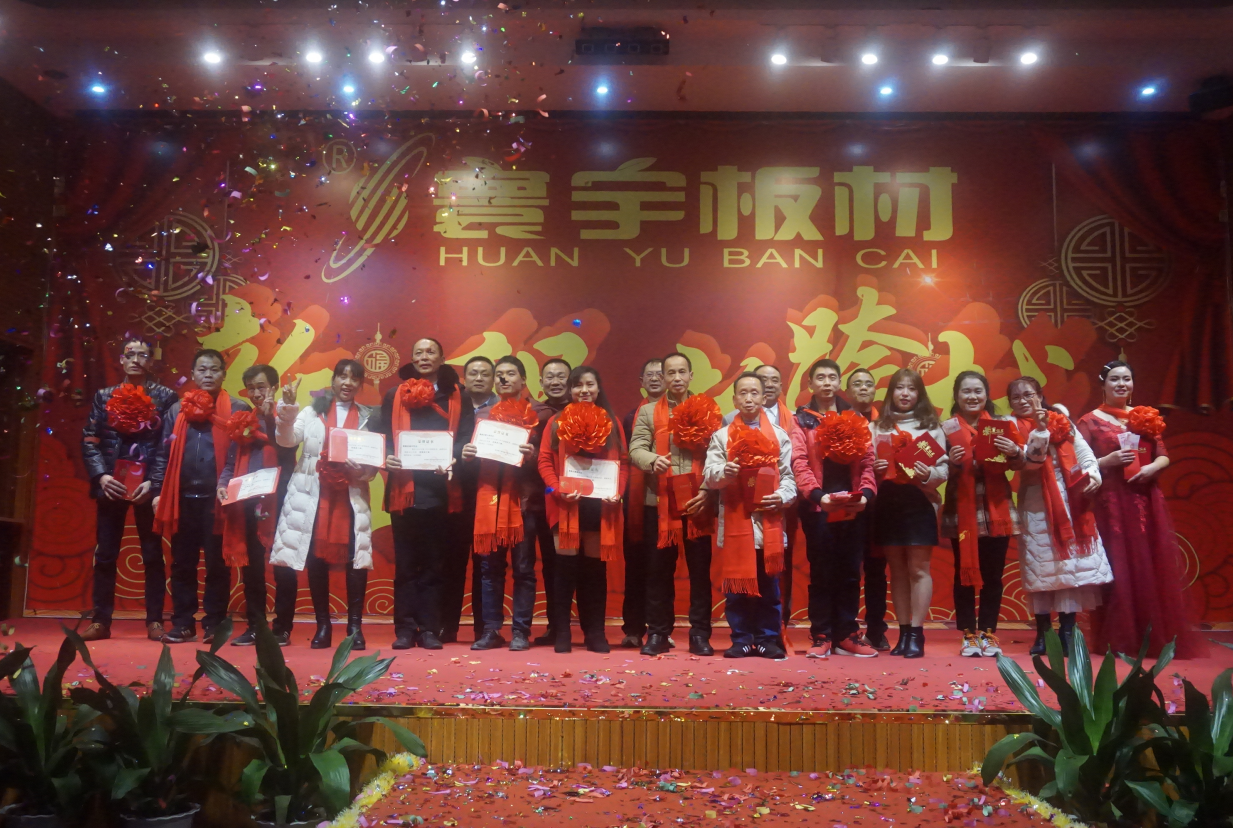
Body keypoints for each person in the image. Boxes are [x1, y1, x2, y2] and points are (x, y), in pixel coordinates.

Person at [1077, 360, 1207, 659]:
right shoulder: (1089, 421)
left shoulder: (1144, 416)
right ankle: (1121, 638)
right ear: (1103, 384)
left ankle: (1154, 637)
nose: (1121, 384)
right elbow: (1078, 464)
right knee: (1119, 567)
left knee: (1150, 565)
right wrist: (1107, 461)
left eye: (1126, 379)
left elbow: (1163, 455)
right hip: (1111, 503)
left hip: (1146, 499)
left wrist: (1152, 468)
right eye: (1114, 379)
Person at [270, 360, 377, 649]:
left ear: (360, 384)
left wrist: (363, 471)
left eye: (354, 378)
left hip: (351, 497)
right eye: (342, 376)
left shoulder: (368, 416)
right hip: (312, 495)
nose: (347, 383)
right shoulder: (311, 411)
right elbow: (287, 441)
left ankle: (354, 628)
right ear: (333, 380)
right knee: (316, 560)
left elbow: (373, 465)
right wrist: (287, 408)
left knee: (356, 560)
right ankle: (323, 626)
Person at [79, 338, 176, 642]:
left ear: (151, 361)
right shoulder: (104, 396)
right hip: (112, 483)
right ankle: (101, 621)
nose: (136, 359)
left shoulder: (166, 397)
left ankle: (155, 621)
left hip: (147, 485)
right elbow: (90, 439)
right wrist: (101, 476)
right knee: (106, 554)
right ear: (121, 360)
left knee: (152, 554)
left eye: (142, 355)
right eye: (130, 354)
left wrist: (155, 483)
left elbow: (168, 445)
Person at [379, 338, 473, 650]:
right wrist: (387, 457)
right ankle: (405, 629)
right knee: (406, 565)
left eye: (430, 352)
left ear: (442, 358)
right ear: (411, 358)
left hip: (441, 489)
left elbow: (465, 437)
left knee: (435, 564)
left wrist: (452, 457)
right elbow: (383, 436)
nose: (424, 356)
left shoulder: (457, 395)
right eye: (418, 352)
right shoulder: (394, 395)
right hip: (404, 490)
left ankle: (431, 628)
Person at [151, 349, 250, 644]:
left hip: (217, 499)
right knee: (182, 563)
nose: (208, 375)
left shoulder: (237, 408)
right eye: (202, 369)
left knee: (217, 565)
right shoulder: (177, 410)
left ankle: (215, 623)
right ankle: (183, 623)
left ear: (224, 374)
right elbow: (163, 454)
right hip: (181, 498)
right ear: (193, 374)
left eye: (214, 369)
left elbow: (243, 456)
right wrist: (157, 491)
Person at [1007, 377, 1111, 656]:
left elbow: (1084, 452)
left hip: (1070, 499)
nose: (1023, 401)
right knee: (1039, 567)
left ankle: (1067, 631)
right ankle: (1043, 632)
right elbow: (1030, 462)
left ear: (1040, 395)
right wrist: (1041, 430)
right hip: (1035, 503)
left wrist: (1093, 475)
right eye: (1016, 397)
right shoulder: (1011, 426)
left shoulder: (1060, 418)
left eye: (1028, 394)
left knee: (1069, 567)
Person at [628, 353, 717, 657]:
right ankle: (658, 633)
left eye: (682, 372)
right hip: (660, 503)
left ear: (691, 375)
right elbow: (635, 449)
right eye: (670, 373)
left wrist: (707, 490)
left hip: (698, 502)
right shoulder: (648, 412)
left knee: (699, 573)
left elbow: (717, 454)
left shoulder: (707, 410)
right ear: (663, 378)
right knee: (658, 572)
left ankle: (700, 634)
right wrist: (652, 460)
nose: (676, 378)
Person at [704, 372, 795, 659]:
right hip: (736, 522)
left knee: (769, 588)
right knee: (736, 589)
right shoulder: (722, 436)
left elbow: (789, 478)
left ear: (764, 397)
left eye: (754, 393)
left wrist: (781, 496)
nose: (749, 398)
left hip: (768, 521)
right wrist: (724, 472)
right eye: (743, 393)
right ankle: (741, 639)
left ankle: (767, 639)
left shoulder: (779, 436)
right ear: (734, 400)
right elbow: (709, 475)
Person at [537, 365, 628, 654]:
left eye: (590, 384)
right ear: (570, 390)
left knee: (594, 571)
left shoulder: (612, 422)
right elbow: (544, 461)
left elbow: (623, 462)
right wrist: (557, 489)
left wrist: (617, 492)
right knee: (564, 571)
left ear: (598, 388)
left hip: (599, 506)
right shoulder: (556, 422)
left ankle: (595, 632)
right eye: (578, 385)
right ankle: (563, 632)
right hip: (565, 504)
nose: (584, 390)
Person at [791, 359, 877, 659]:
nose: (826, 383)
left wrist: (866, 494)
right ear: (811, 384)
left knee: (851, 572)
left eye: (832, 377)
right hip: (819, 508)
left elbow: (867, 462)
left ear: (840, 383)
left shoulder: (855, 417)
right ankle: (822, 635)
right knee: (822, 572)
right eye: (820, 378)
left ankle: (847, 634)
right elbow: (799, 462)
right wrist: (817, 496)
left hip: (852, 506)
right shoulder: (801, 419)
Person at [942, 370, 1025, 658]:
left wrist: (1014, 451)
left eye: (978, 390)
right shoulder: (946, 428)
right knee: (963, 572)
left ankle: (988, 633)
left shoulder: (1002, 425)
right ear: (956, 396)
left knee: (993, 575)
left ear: (987, 394)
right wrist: (950, 462)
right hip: (961, 507)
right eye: (966, 391)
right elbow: (936, 469)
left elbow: (1019, 464)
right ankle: (968, 634)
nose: (972, 396)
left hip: (997, 508)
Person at [462, 356, 540, 651]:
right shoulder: (482, 417)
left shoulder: (537, 415)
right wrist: (468, 456)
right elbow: (472, 461)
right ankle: (491, 630)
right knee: (489, 570)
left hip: (524, 503)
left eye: (511, 374)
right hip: (489, 502)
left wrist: (532, 456)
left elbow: (550, 461)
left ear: (523, 380)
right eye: (500, 375)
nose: (504, 379)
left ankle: (520, 631)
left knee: (523, 570)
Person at [217, 365, 298, 646]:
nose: (256, 393)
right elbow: (230, 462)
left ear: (274, 387)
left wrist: (272, 417)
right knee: (252, 568)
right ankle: (255, 626)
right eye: (251, 388)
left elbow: (286, 449)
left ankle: (282, 628)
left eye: (261, 387)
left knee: (282, 565)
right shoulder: (243, 420)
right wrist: (222, 485)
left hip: (280, 501)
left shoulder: (286, 419)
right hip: (247, 502)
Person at [870, 368, 948, 658]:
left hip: (919, 502)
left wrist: (929, 473)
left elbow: (944, 470)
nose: (905, 394)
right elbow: (865, 468)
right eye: (899, 388)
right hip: (888, 503)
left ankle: (917, 633)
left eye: (911, 388)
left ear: (919, 393)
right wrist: (875, 470)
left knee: (918, 569)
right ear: (891, 393)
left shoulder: (931, 427)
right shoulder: (877, 427)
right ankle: (903, 633)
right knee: (898, 571)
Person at [442, 355, 498, 643]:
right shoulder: (451, 405)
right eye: (473, 373)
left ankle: (483, 628)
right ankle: (447, 626)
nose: (478, 378)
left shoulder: (503, 409)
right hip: (455, 492)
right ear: (464, 378)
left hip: (491, 494)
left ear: (494, 379)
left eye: (485, 374)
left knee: (485, 564)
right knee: (452, 561)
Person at [620, 358, 665, 649]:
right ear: (641, 381)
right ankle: (633, 627)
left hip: (669, 501)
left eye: (661, 374)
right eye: (650, 374)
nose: (656, 378)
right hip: (637, 501)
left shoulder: (682, 413)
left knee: (659, 569)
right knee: (635, 565)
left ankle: (661, 629)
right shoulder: (630, 418)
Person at [528, 358, 571, 646]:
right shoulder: (533, 415)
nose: (555, 382)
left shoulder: (585, 412)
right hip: (542, 499)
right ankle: (556, 626)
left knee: (578, 567)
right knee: (551, 565)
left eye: (561, 377)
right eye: (550, 377)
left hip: (580, 500)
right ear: (541, 382)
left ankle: (587, 627)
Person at [846, 367, 889, 651]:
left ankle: (876, 628)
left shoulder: (886, 424)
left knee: (876, 570)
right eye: (857, 384)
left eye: (868, 384)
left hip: (879, 506)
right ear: (848, 392)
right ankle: (847, 629)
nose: (863, 388)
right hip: (848, 504)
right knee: (849, 569)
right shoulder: (838, 421)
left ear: (875, 391)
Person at [722, 364, 792, 428]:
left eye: (774, 380)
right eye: (763, 380)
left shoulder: (793, 418)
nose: (769, 385)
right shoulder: (730, 419)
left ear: (780, 387)